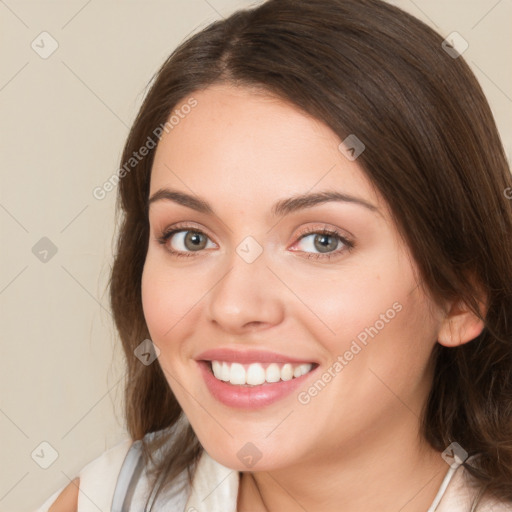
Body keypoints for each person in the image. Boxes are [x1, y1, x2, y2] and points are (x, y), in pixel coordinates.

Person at [36, 0, 512, 510]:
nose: (234, 307)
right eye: (190, 238)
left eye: (322, 241)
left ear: (462, 296)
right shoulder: (100, 500)